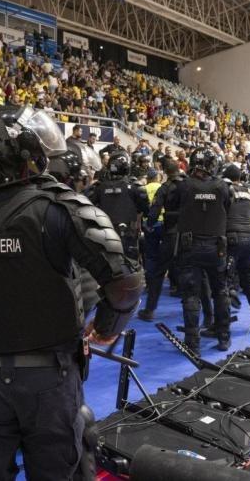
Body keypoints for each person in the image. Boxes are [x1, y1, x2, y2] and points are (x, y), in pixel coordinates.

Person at [0, 105, 143, 480]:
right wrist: (106, 326)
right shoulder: (61, 206)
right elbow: (125, 284)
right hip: (49, 381)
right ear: (26, 152)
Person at [173, 148, 231, 354]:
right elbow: (228, 207)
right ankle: (224, 336)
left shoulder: (184, 186)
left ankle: (192, 343)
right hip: (217, 247)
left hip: (191, 247)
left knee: (191, 296)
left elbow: (172, 207)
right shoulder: (222, 186)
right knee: (220, 292)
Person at [139, 160, 183, 321]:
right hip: (188, 233)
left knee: (158, 272)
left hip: (171, 233)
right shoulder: (188, 186)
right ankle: (208, 316)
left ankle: (149, 310)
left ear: (164, 172)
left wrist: (149, 224)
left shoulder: (165, 188)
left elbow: (155, 209)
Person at [87, 151, 149, 261]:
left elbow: (88, 206)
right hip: (128, 233)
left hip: (105, 233)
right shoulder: (135, 187)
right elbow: (145, 209)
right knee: (130, 264)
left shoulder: (99, 187)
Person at [222, 164, 250, 325]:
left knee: (223, 282)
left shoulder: (225, 189)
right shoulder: (248, 191)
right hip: (249, 237)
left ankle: (221, 326)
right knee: (248, 279)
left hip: (231, 238)